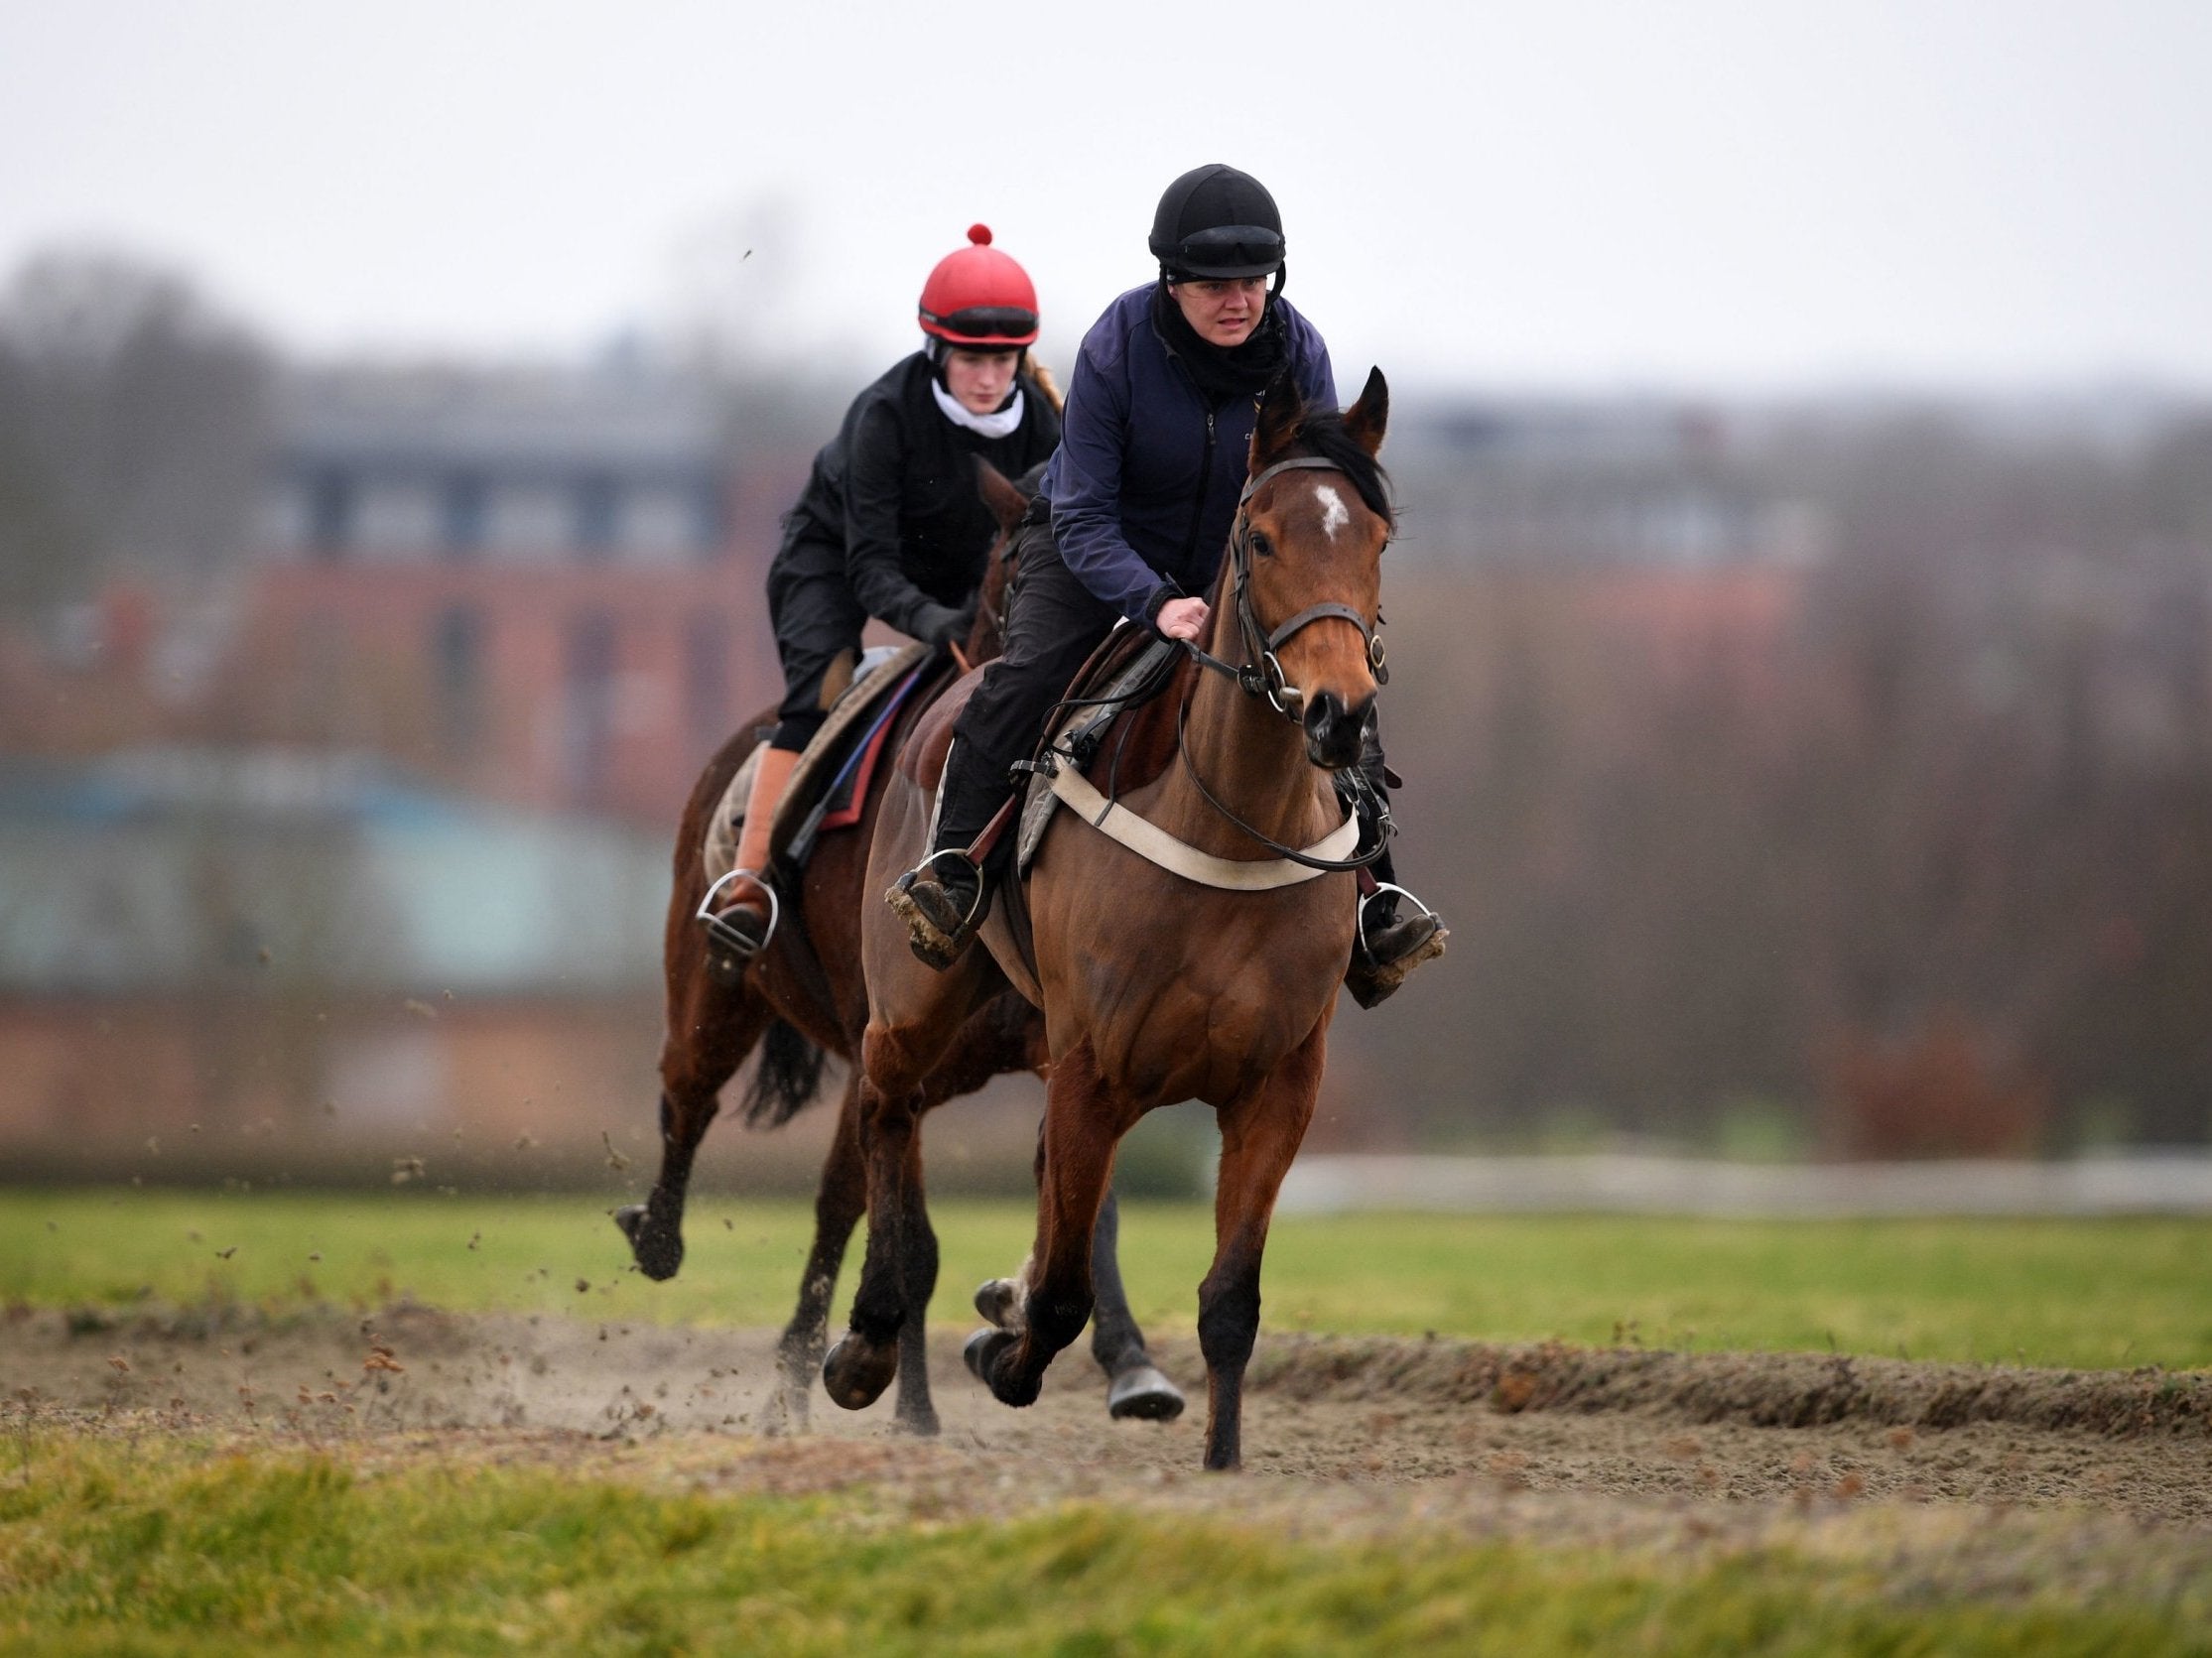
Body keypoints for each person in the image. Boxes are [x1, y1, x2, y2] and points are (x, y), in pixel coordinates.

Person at [891, 165, 1446, 1007]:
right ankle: (955, 869)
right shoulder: (1115, 348)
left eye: (1255, 281)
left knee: (1340, 688)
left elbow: (1313, 496)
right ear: (1172, 283)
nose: (1240, 300)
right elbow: (1080, 515)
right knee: (1028, 675)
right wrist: (1150, 600)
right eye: (1217, 285)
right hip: (1093, 551)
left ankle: (1376, 903)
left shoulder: (1300, 349)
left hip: (1239, 560)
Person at [703, 224, 1062, 963]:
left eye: (1001, 360)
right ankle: (749, 881)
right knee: (824, 691)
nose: (988, 378)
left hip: (967, 573)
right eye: (970, 359)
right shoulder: (885, 416)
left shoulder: (1044, 426)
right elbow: (869, 566)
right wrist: (941, 623)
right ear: (938, 351)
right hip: (832, 563)